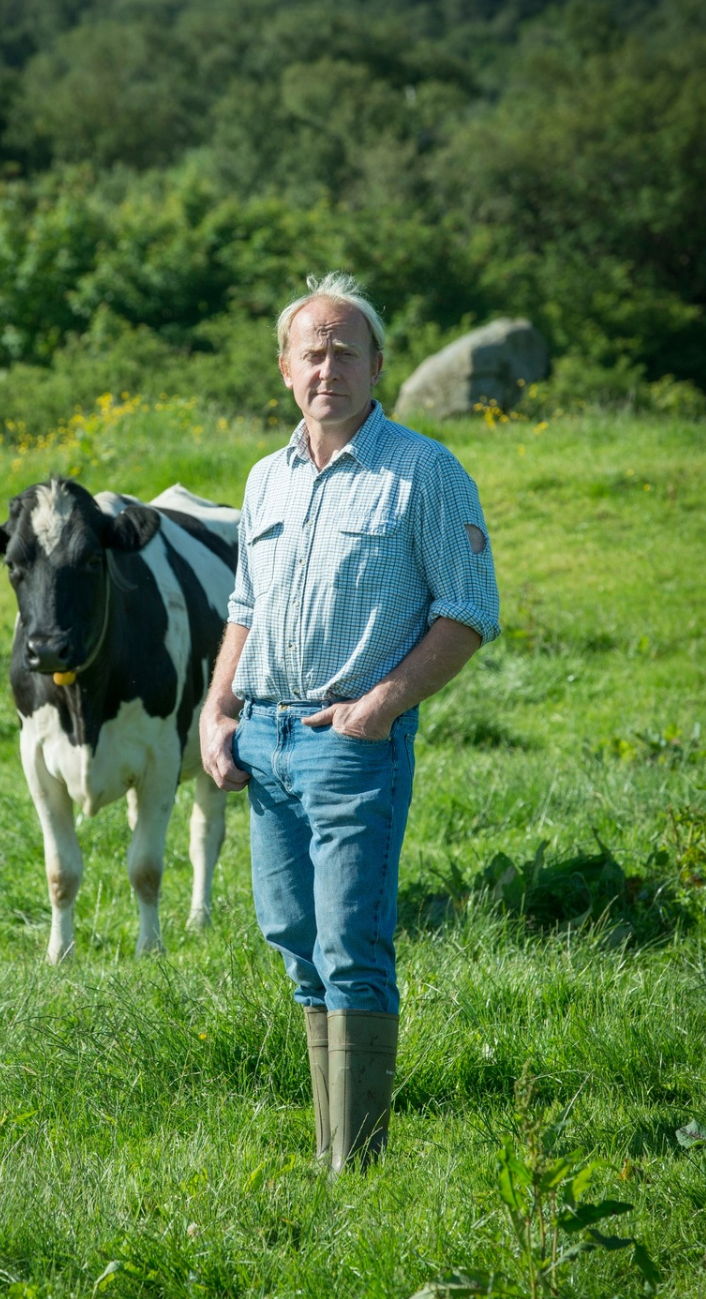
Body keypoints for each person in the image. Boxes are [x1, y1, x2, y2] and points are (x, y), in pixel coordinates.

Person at [199, 272, 500, 1174]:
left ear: (376, 365)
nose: (327, 367)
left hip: (350, 744)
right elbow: (244, 604)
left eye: (345, 351)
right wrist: (218, 708)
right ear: (287, 369)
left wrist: (378, 707)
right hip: (266, 741)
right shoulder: (266, 477)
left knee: (351, 946)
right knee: (294, 941)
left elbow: (469, 608)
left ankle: (355, 1169)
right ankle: (330, 1150)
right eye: (311, 351)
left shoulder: (426, 472)